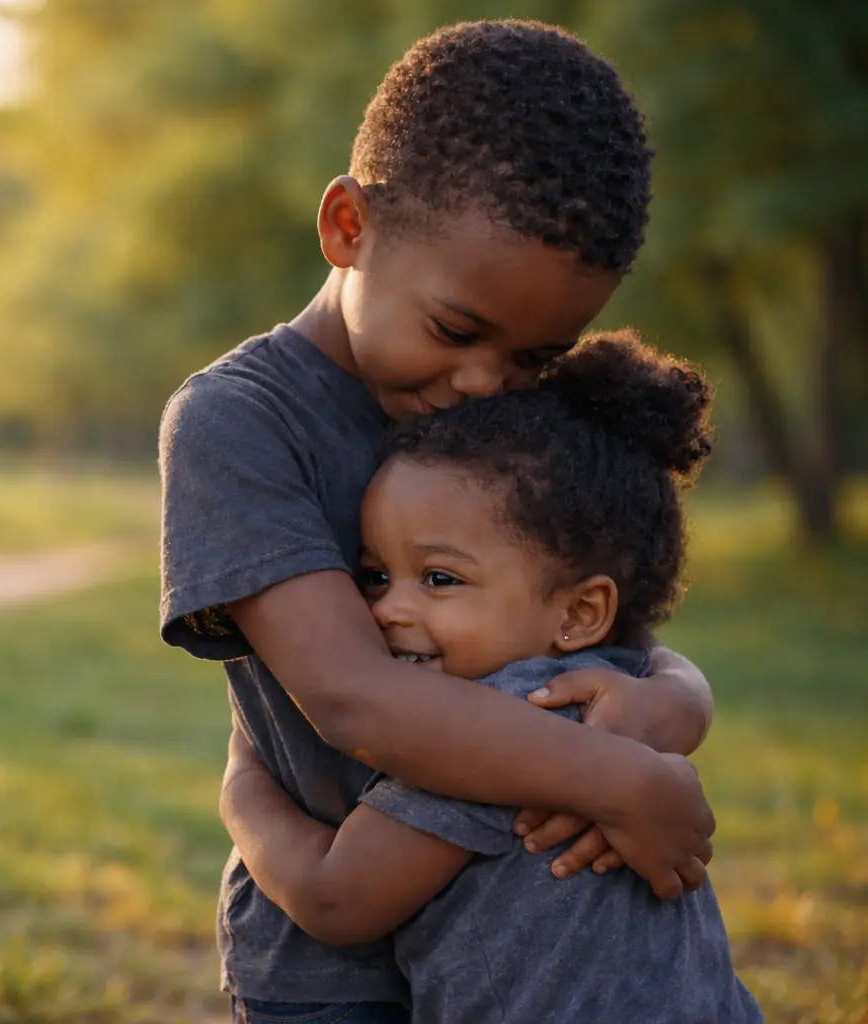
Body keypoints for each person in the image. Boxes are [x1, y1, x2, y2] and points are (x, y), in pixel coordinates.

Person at [157, 21, 716, 1023]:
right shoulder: (241, 421)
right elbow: (357, 702)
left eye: (533, 359)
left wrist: (675, 699)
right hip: (333, 961)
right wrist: (618, 777)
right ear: (347, 228)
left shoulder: (504, 413)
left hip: (528, 934)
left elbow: (591, 628)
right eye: (456, 330)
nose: (480, 385)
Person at [219, 333, 762, 1023]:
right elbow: (668, 665)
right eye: (374, 575)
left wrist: (243, 789)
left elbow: (336, 898)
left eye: (439, 578)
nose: (387, 608)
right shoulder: (617, 682)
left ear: (581, 612)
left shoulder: (491, 732)